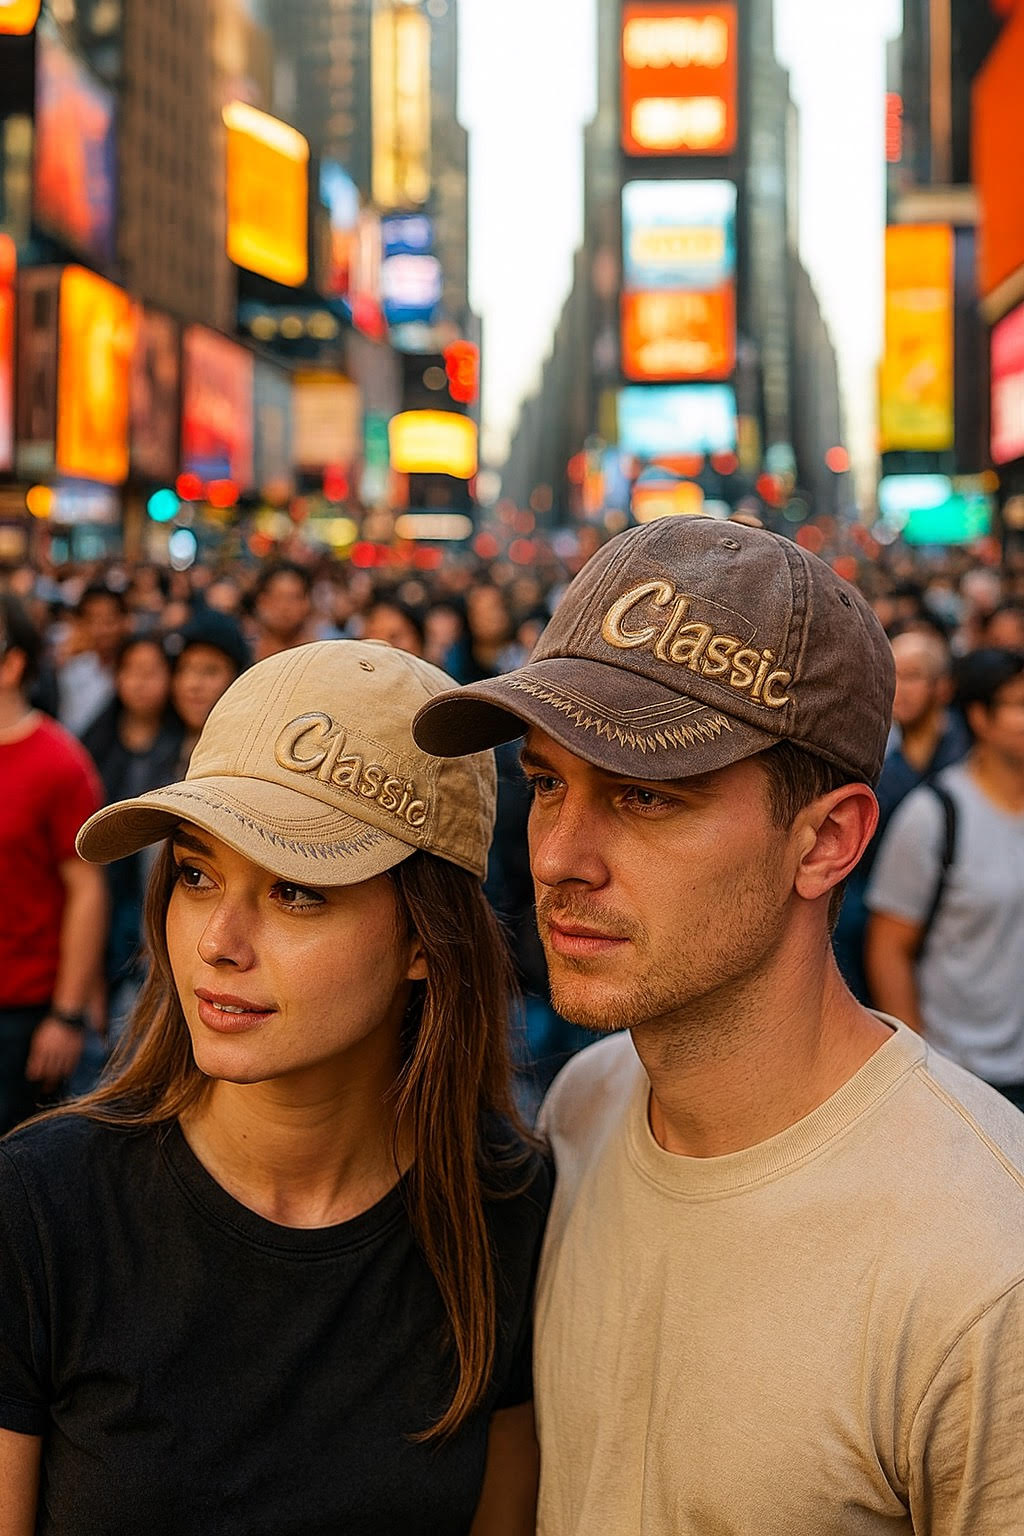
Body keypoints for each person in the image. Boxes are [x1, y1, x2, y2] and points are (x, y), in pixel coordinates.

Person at [412, 517, 1024, 1533]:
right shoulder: (586, 1105)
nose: (561, 856)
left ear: (825, 840)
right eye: (548, 783)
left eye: (645, 796)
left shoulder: (984, 1266)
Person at [0, 639, 549, 1536]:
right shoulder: (41, 1207)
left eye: (297, 890)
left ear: (424, 940)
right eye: (195, 873)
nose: (219, 939)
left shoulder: (509, 1213)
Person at [866, 648, 1024, 1109]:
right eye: (1018, 704)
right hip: (963, 1072)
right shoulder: (934, 815)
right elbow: (889, 946)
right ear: (980, 717)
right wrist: (923, 1071)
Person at [0, 595, 107, 1136]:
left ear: (12, 664)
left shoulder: (58, 761)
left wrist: (67, 1015)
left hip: (22, 1011)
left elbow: (87, 888)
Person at [832, 626, 968, 1000]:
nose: (898, 689)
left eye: (911, 677)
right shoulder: (879, 749)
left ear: (942, 688)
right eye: (891, 675)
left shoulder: (964, 756)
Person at [80, 635, 184, 1068]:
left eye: (152, 672)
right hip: (106, 890)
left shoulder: (182, 750)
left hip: (155, 897)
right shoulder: (94, 744)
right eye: (132, 672)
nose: (142, 683)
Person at [169, 609, 250, 773]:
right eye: (183, 669)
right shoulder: (152, 747)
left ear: (237, 679)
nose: (192, 684)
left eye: (210, 671)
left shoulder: (247, 762)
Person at [57, 583, 128, 737]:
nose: (101, 630)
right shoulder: (72, 670)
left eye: (108, 621)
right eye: (92, 621)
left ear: (124, 621)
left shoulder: (133, 669)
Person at [250, 560, 314, 661]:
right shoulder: (246, 653)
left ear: (306, 603)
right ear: (262, 601)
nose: (285, 607)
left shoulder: (317, 654)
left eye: (293, 598)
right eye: (277, 598)